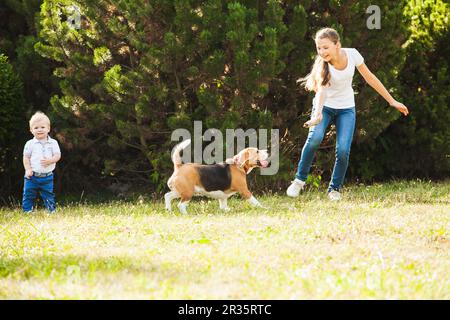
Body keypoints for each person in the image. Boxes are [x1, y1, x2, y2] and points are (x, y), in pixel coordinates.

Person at [287, 27, 409, 201]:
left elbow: (370, 78)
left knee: (343, 150)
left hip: (346, 108)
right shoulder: (323, 65)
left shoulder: (352, 55)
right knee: (314, 138)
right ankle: (299, 180)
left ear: (337, 45)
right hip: (325, 107)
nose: (322, 52)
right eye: (319, 48)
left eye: (325, 47)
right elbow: (321, 92)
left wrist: (391, 101)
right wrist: (318, 115)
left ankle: (334, 189)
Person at [22, 112, 61, 213]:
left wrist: (50, 160)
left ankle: (51, 211)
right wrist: (28, 169)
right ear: (31, 130)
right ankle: (27, 211)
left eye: (42, 127)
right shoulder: (30, 144)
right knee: (28, 194)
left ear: (48, 128)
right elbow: (26, 157)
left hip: (47, 176)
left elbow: (57, 155)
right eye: (36, 128)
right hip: (32, 176)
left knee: (48, 194)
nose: (39, 129)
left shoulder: (53, 143)